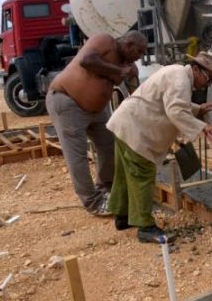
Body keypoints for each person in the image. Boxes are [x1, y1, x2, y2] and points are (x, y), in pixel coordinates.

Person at [106, 52, 212, 243]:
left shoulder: (177, 73)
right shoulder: (181, 80)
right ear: (195, 69)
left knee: (125, 175)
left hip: (126, 124)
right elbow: (175, 110)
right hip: (136, 130)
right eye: (207, 78)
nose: (206, 84)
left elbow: (171, 101)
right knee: (142, 175)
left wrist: (198, 109)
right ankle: (145, 227)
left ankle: (123, 217)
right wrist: (204, 127)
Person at [46, 31, 148, 216]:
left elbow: (135, 94)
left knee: (110, 147)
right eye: (139, 51)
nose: (140, 56)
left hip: (98, 110)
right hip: (68, 101)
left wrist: (133, 78)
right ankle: (92, 202)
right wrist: (119, 71)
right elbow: (87, 60)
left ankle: (105, 190)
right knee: (77, 156)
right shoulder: (105, 41)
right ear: (128, 44)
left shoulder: (128, 64)